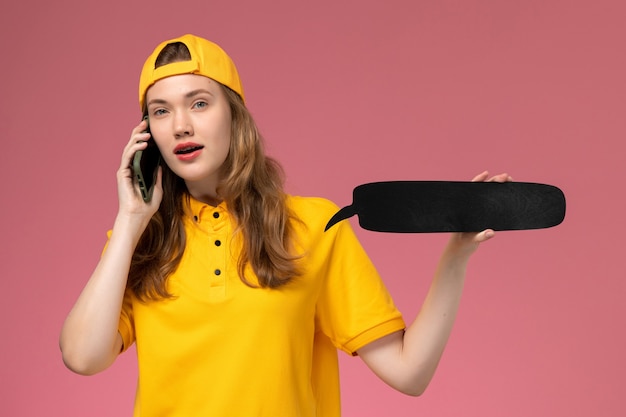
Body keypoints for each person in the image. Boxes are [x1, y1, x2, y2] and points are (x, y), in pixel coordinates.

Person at [59, 34, 511, 417]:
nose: (180, 125)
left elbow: (409, 373)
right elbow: (82, 358)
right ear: (147, 136)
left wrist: (457, 255)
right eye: (160, 111)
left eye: (199, 103)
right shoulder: (138, 240)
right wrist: (131, 219)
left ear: (235, 115)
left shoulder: (316, 226)